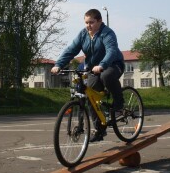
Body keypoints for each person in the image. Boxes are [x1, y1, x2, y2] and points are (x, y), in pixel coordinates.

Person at [51, 8, 125, 142]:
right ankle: (99, 130)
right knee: (89, 94)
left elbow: (111, 50)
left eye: (91, 22)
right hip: (93, 68)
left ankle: (119, 104)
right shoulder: (83, 34)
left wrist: (102, 65)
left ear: (100, 21)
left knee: (106, 76)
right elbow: (71, 50)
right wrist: (58, 65)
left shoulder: (107, 33)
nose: (88, 26)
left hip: (113, 64)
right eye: (86, 22)